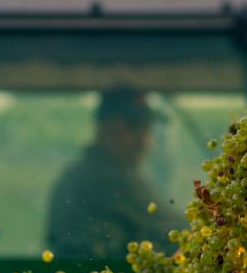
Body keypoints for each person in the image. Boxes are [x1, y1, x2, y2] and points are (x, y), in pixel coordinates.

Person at [46, 87, 181, 258]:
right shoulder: (105, 176)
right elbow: (173, 229)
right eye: (133, 128)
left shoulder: (81, 171)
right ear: (106, 129)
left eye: (146, 130)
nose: (143, 142)